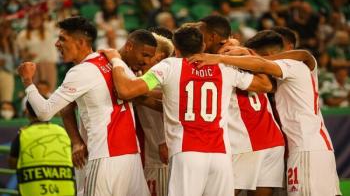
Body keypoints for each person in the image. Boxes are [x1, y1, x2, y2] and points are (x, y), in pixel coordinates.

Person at [101, 26, 273, 196]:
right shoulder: (223, 67)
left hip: (187, 153)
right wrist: (235, 56)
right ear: (203, 46)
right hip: (221, 155)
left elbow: (126, 90)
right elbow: (265, 84)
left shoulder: (169, 66)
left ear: (176, 48)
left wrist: (116, 60)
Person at [189, 31, 341, 196]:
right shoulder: (290, 74)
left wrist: (220, 58)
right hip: (309, 146)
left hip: (305, 147)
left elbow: (264, 65)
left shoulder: (293, 66)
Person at [17, 16, 156, 196]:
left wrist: (27, 81)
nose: (57, 44)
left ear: (81, 42)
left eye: (62, 39)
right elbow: (67, 108)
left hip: (105, 158)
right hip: (131, 157)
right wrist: (76, 141)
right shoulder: (113, 61)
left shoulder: (81, 71)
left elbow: (44, 113)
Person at [198, 15, 285, 196]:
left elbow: (266, 86)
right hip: (271, 138)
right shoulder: (242, 53)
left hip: (246, 140)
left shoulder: (220, 62)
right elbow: (268, 84)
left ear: (212, 36)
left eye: (201, 33)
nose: (198, 38)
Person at [8, 101, 75, 196]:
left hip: (32, 191)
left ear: (27, 112)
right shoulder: (64, 132)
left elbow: (12, 164)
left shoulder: (23, 135)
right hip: (65, 191)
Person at [136, 32, 174, 196]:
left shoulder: (163, 80)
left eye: (148, 55)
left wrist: (162, 141)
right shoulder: (143, 77)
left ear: (160, 57)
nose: (143, 59)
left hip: (160, 154)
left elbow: (166, 105)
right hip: (147, 154)